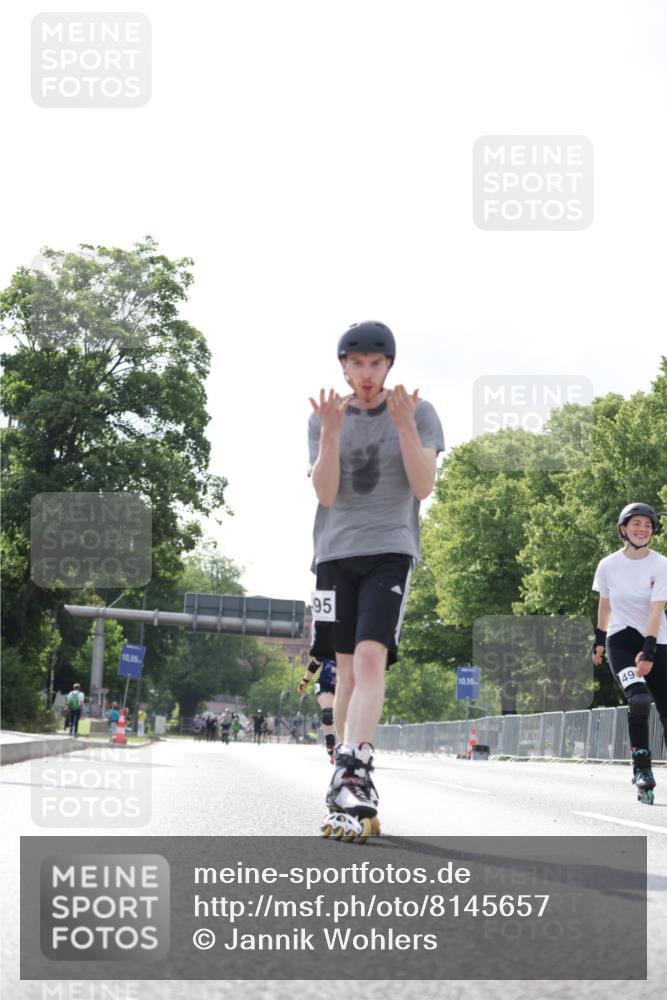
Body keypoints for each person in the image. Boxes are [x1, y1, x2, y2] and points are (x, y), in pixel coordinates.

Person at [308, 320, 444, 841]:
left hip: (390, 549)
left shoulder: (419, 412)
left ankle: (355, 766)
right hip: (333, 554)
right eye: (357, 364)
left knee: (370, 657)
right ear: (343, 366)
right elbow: (324, 494)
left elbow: (424, 485)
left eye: (376, 364)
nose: (366, 374)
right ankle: (341, 774)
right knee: (343, 672)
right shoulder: (326, 416)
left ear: (389, 367)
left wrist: (406, 427)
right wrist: (333, 433)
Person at [592, 502, 667, 804]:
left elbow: (656, 608)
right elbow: (606, 605)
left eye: (648, 525)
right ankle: (642, 769)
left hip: (657, 640)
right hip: (620, 640)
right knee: (638, 700)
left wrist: (648, 651)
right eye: (636, 523)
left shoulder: (661, 564)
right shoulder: (608, 565)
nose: (642, 529)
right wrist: (599, 640)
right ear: (624, 528)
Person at [299, 657, 338, 762]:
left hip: (344, 687)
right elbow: (314, 664)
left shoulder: (353, 647)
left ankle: (350, 746)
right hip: (324, 685)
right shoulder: (327, 645)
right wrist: (304, 681)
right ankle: (331, 745)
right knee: (327, 714)